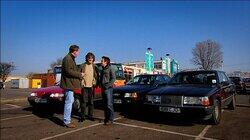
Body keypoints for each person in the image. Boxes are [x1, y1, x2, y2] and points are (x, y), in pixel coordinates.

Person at [60, 45, 84, 128]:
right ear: (74, 51)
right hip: (68, 85)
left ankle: (67, 120)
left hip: (69, 84)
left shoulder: (71, 58)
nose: (78, 53)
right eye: (78, 51)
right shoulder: (67, 59)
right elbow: (68, 71)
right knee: (69, 102)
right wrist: (79, 74)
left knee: (70, 101)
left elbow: (71, 70)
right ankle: (66, 121)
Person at [79, 52, 99, 122]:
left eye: (92, 58)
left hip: (91, 87)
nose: (90, 59)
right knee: (83, 102)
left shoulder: (95, 66)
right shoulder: (82, 66)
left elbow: (96, 76)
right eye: (89, 58)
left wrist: (95, 82)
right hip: (84, 87)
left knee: (91, 102)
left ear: (93, 59)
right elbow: (78, 75)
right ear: (87, 58)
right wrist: (80, 78)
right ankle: (82, 116)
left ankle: (90, 116)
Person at [99, 56, 116, 125]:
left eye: (102, 61)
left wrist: (108, 85)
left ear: (106, 62)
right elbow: (101, 78)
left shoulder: (110, 68)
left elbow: (113, 78)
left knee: (109, 104)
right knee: (105, 104)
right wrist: (99, 84)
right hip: (103, 88)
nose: (101, 62)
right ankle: (106, 118)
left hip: (108, 88)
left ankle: (111, 119)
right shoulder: (102, 69)